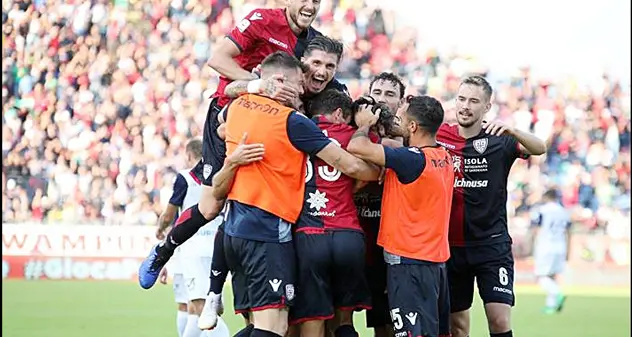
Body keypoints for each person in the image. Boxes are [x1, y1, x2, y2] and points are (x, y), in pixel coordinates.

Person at [138, 0, 328, 291]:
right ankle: (163, 252)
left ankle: (221, 294)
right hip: (230, 112)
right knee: (213, 204)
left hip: (273, 124)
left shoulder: (313, 41)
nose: (310, 5)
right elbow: (218, 59)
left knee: (254, 202)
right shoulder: (262, 18)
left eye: (316, 0)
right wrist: (258, 83)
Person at [207, 51, 379, 337]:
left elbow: (223, 120)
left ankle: (213, 293)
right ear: (278, 81)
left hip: (237, 228)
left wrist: (253, 86)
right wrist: (380, 172)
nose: (302, 87)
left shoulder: (240, 107)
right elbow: (347, 163)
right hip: (271, 229)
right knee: (275, 325)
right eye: (298, 81)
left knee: (273, 323)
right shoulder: (296, 122)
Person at [436, 75, 547, 337]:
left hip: (491, 245)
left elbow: (539, 148)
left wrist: (513, 130)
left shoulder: (500, 139)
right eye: (462, 99)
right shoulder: (441, 136)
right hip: (451, 247)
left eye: (474, 101)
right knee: (458, 325)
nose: (465, 106)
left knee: (498, 321)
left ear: (487, 107)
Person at [347, 95, 454, 337]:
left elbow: (356, 147)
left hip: (409, 263)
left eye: (400, 119)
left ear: (413, 127)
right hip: (435, 263)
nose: (397, 122)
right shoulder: (443, 157)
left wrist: (363, 125)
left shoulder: (410, 160)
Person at [289, 89, 375, 337]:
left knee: (313, 316)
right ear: (340, 114)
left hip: (309, 235)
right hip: (348, 234)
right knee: (343, 321)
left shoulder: (293, 132)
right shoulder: (350, 134)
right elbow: (379, 161)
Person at [356, 72, 406, 337]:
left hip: (391, 240)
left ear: (400, 102)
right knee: (336, 316)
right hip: (354, 235)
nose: (382, 99)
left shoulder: (411, 139)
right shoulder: (353, 132)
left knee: (386, 323)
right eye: (377, 93)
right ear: (368, 94)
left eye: (390, 94)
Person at [531, 188, 570, 314]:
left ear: (546, 197)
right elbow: (568, 231)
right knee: (552, 275)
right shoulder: (563, 211)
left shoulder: (542, 210)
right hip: (560, 245)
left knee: (541, 276)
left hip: (545, 244)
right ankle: (551, 306)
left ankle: (557, 293)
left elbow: (536, 228)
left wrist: (532, 245)